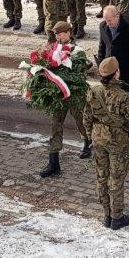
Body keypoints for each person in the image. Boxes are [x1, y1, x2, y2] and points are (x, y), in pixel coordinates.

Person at [84, 56, 129, 230]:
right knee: (116, 180)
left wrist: (90, 137)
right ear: (116, 73)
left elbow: (86, 118)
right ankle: (117, 217)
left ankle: (106, 215)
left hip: (98, 140)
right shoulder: (124, 97)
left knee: (102, 177)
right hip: (118, 143)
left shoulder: (94, 91)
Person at [40, 21, 92, 178]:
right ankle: (53, 163)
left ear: (69, 33)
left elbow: (79, 74)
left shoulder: (78, 51)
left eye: (61, 33)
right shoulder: (53, 49)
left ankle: (87, 142)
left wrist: (59, 73)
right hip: (58, 95)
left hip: (75, 94)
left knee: (81, 121)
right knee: (55, 126)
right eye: (56, 34)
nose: (58, 36)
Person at [97, 5, 129, 88]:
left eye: (109, 20)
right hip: (108, 72)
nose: (107, 24)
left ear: (117, 17)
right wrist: (101, 66)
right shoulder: (102, 26)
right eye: (105, 20)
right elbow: (102, 47)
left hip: (126, 73)